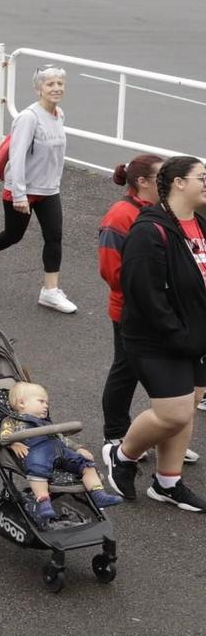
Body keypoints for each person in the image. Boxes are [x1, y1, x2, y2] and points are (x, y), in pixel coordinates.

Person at [104, 156, 206, 510]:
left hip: (193, 337)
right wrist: (180, 335)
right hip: (156, 339)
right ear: (178, 183)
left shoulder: (200, 224)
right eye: (202, 178)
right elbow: (144, 295)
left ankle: (167, 482)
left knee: (188, 406)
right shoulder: (150, 230)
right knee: (173, 413)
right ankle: (123, 455)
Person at [0, 66, 74, 314]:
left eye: (59, 83)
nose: (56, 88)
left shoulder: (59, 114)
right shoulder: (28, 118)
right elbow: (16, 157)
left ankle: (50, 291)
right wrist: (19, 193)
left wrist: (54, 183)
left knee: (54, 237)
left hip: (49, 190)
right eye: (50, 84)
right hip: (23, 189)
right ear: (38, 89)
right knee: (12, 236)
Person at [98, 156, 170, 446]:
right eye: (160, 178)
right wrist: (148, 292)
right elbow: (110, 270)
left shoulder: (162, 210)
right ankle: (116, 434)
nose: (167, 184)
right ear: (141, 182)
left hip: (161, 307)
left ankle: (164, 432)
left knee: (164, 372)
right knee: (126, 369)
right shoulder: (120, 216)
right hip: (130, 309)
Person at [0, 382, 123, 523]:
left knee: (87, 464)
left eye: (47, 402)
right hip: (37, 451)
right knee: (37, 471)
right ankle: (43, 501)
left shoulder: (45, 423)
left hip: (59, 449)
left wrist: (78, 448)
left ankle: (99, 494)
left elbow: (62, 439)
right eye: (41, 401)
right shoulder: (12, 421)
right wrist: (14, 443)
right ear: (21, 403)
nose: (46, 405)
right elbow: (4, 436)